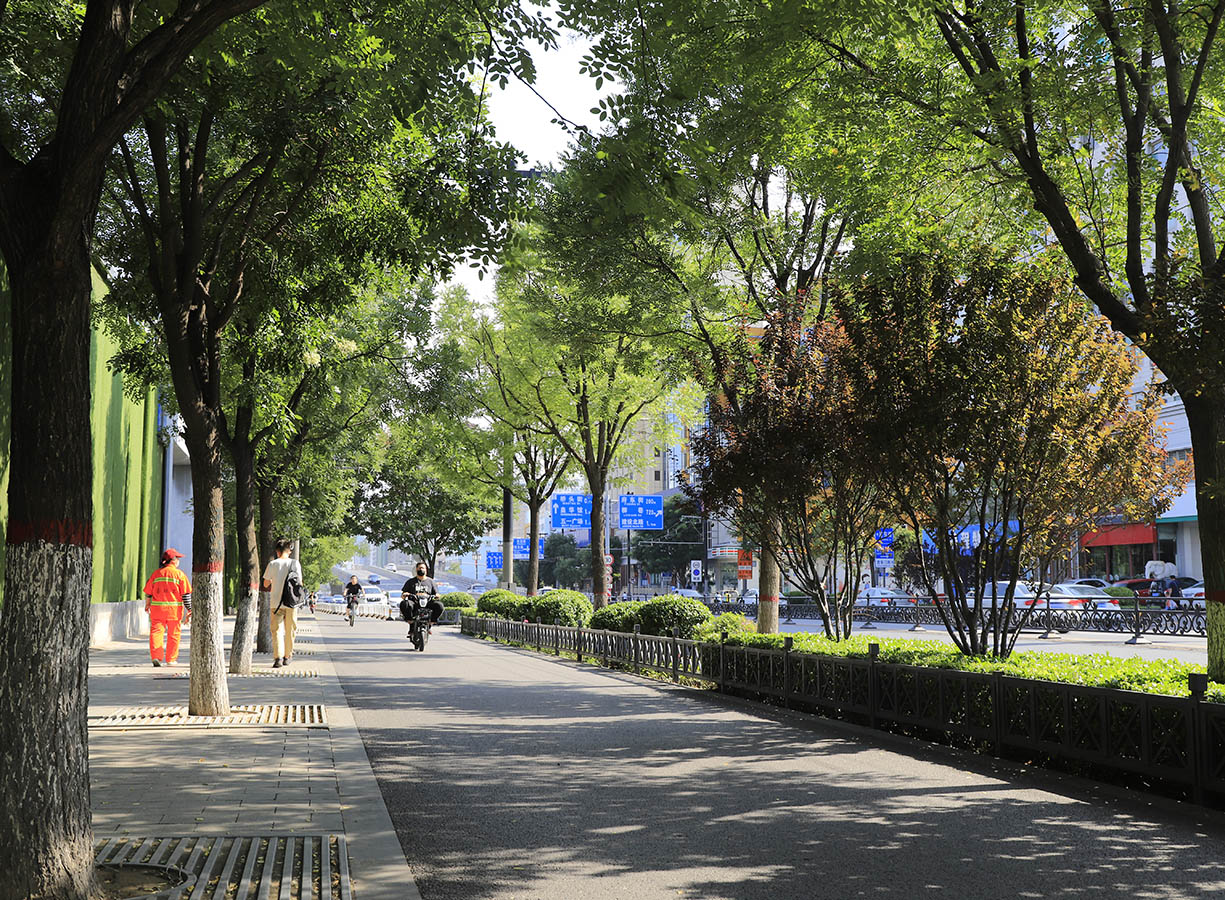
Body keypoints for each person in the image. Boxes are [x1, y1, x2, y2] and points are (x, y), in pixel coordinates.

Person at [143, 548, 192, 667]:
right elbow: (185, 595)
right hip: (173, 612)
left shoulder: (156, 574)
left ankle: (156, 657)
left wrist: (148, 604)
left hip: (157, 610)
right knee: (173, 634)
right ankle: (171, 659)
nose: (179, 561)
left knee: (156, 632)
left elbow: (148, 592)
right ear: (173, 561)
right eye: (178, 559)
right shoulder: (179, 575)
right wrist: (190, 609)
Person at [262, 539, 303, 668]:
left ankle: (278, 658)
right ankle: (287, 656)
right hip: (291, 602)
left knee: (276, 631)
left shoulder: (272, 564)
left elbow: (266, 584)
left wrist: (275, 581)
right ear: (289, 551)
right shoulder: (295, 564)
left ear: (277, 551)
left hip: (276, 603)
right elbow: (300, 583)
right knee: (290, 630)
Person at [399, 563, 443, 631]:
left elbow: (437, 594)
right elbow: (403, 595)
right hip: (415, 603)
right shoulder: (410, 582)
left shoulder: (431, 581)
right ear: (416, 569)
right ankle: (411, 623)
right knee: (404, 604)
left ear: (426, 570)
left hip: (427, 603)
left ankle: (431, 623)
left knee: (439, 605)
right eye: (420, 568)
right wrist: (405, 594)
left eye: (423, 568)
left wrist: (437, 596)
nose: (421, 569)